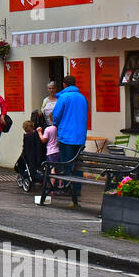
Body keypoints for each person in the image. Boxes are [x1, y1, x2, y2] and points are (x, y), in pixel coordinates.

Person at [51, 74, 89, 208]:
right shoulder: (82, 98)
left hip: (67, 135)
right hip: (80, 136)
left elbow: (56, 115)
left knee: (67, 163)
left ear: (64, 84)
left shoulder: (64, 97)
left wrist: (55, 124)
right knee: (78, 163)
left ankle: (69, 188)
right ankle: (77, 188)